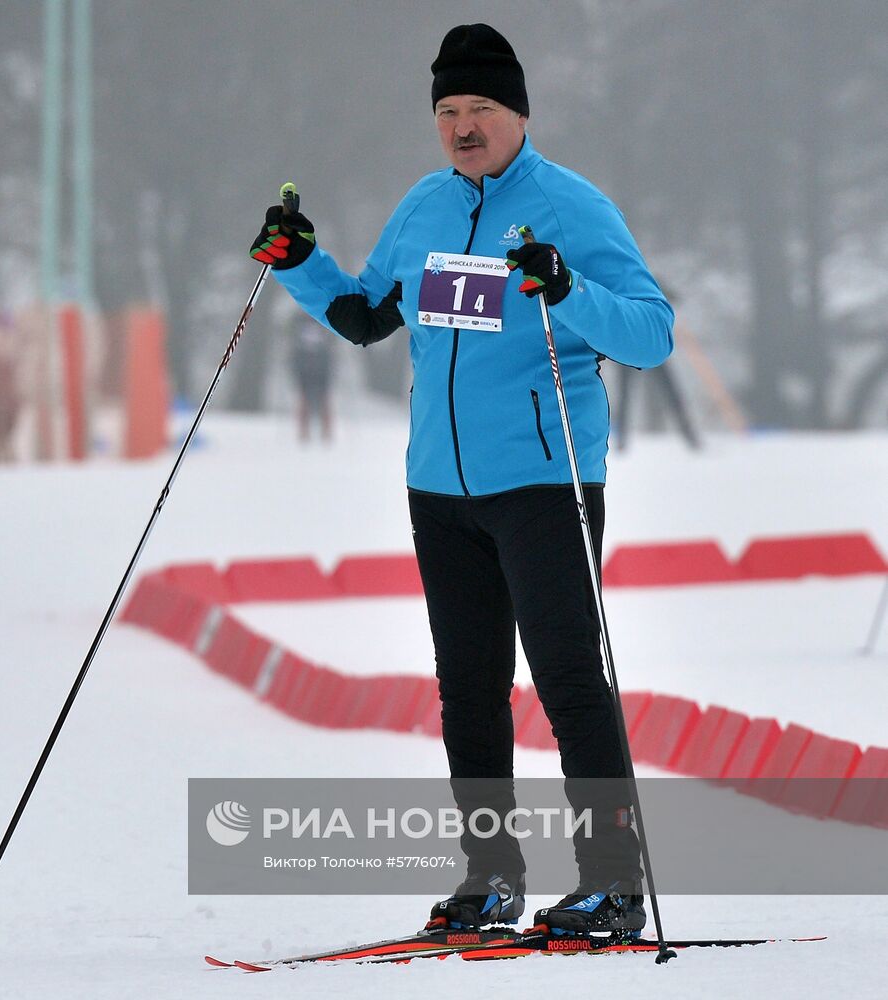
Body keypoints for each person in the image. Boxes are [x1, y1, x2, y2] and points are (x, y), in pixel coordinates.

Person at [250, 23, 673, 935]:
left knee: (568, 679)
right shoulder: (423, 209)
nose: (463, 126)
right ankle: (491, 879)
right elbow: (368, 316)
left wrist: (567, 291)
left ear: (519, 114)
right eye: (447, 111)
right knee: (468, 689)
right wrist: (301, 264)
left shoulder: (571, 207)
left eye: (481, 108)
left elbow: (651, 333)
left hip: (542, 481)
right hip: (440, 490)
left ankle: (613, 882)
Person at [288, 311, 334, 443]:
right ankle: (303, 432)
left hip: (322, 365)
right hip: (303, 364)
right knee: (303, 398)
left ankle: (326, 432)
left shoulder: (324, 315)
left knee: (324, 398)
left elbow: (332, 340)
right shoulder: (298, 319)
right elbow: (291, 338)